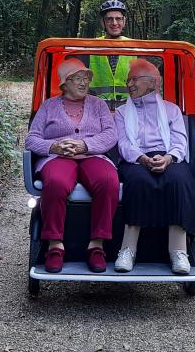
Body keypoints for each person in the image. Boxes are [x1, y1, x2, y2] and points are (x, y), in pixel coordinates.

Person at [113, 58, 195, 275]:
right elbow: (123, 144)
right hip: (136, 158)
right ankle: (127, 250)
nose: (129, 84)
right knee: (139, 181)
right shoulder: (122, 112)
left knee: (179, 180)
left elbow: (179, 141)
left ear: (152, 82)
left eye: (134, 80)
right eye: (128, 80)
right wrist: (142, 158)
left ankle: (178, 251)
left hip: (169, 156)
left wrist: (168, 158)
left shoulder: (171, 110)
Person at [25, 58, 120, 273]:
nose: (83, 83)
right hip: (57, 157)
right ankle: (54, 246)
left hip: (92, 154)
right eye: (78, 78)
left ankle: (97, 245)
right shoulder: (48, 106)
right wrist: (55, 147)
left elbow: (110, 134)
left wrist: (85, 145)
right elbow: (32, 139)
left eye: (86, 79)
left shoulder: (99, 105)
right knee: (56, 183)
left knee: (108, 181)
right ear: (64, 83)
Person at [89, 0, 134, 110]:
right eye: (109, 19)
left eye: (118, 18)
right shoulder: (91, 46)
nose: (114, 23)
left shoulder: (135, 46)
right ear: (102, 22)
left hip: (128, 109)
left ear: (124, 21)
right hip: (95, 109)